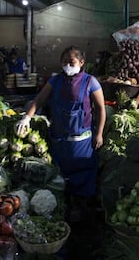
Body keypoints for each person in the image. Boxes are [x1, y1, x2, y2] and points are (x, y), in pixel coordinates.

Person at [15, 46, 106, 220]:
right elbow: (39, 100)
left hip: (82, 142)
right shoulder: (55, 81)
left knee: (84, 173)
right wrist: (27, 117)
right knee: (61, 176)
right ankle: (66, 206)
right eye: (64, 62)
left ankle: (84, 207)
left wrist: (99, 134)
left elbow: (101, 109)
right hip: (59, 141)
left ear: (81, 62)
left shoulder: (90, 81)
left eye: (71, 62)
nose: (67, 66)